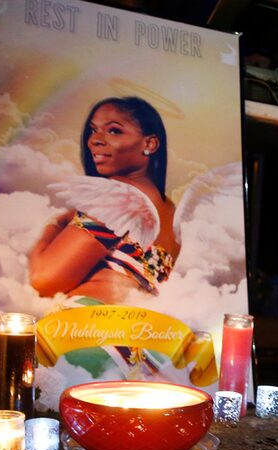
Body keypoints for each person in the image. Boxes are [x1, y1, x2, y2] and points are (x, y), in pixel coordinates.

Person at [29, 96, 179, 303]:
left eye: (114, 130)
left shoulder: (117, 197)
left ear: (150, 144)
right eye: (93, 130)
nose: (94, 140)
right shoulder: (170, 210)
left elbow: (44, 281)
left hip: (88, 324)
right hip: (138, 328)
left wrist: (54, 224)